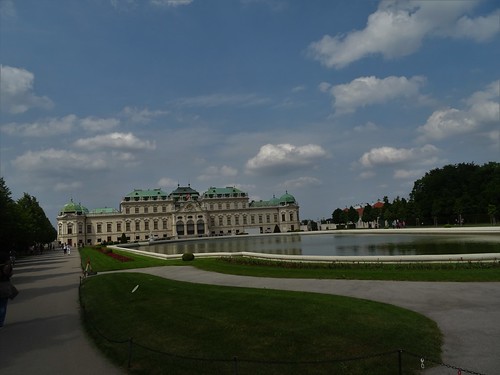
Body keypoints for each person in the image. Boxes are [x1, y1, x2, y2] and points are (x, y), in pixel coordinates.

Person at [0, 252, 18, 328]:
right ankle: (0, 322)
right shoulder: (6, 265)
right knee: (3, 304)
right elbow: (11, 274)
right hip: (4, 284)